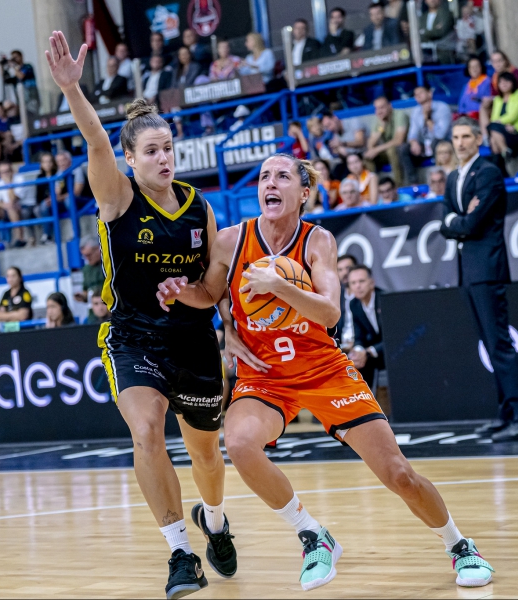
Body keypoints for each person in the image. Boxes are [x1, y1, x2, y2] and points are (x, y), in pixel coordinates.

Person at [156, 153, 495, 592]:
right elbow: (209, 291)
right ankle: (312, 534)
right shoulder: (231, 241)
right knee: (238, 443)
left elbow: (330, 312)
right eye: (264, 177)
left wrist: (279, 285)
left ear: (303, 193)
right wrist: (186, 296)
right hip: (265, 375)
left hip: (324, 370)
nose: (269, 183)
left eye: (282, 176)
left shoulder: (318, 241)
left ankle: (459, 544)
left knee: (398, 474)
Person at [46, 31, 237, 597]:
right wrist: (72, 91)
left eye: (168, 148)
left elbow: (214, 287)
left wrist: (219, 320)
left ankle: (215, 521)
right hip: (132, 336)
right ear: (130, 159)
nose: (163, 158)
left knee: (207, 454)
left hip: (193, 339)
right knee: (147, 431)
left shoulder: (198, 207)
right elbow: (95, 140)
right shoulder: (118, 196)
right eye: (150, 151)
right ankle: (180, 552)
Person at [440, 117, 518, 441]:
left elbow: (471, 224)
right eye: (456, 137)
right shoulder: (453, 177)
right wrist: (459, 219)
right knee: (489, 345)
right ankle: (507, 413)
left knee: (499, 344)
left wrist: (457, 220)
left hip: (487, 268)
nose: (460, 143)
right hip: (468, 270)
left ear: (478, 139)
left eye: (466, 136)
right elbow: (444, 223)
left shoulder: (488, 173)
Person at [398, 85, 452, 184]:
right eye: (415, 94)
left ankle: (440, 181)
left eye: (421, 93)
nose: (418, 96)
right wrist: (414, 142)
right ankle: (413, 184)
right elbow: (412, 134)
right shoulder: (416, 111)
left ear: (430, 93)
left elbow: (440, 135)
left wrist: (427, 119)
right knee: (404, 149)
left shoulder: (442, 108)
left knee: (436, 143)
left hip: (442, 144)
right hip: (425, 147)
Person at [346, 264, 384, 389]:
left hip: (391, 349)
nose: (357, 286)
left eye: (361, 281)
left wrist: (368, 352)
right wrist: (358, 351)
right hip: (372, 353)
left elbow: (394, 337)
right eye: (353, 283)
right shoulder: (354, 304)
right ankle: (363, 399)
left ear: (372, 283)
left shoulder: (384, 299)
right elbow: (358, 336)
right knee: (354, 362)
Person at [365, 96, 408, 184]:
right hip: (386, 151)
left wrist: (376, 149)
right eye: (377, 108)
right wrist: (381, 129)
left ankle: (399, 185)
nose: (379, 111)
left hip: (403, 150)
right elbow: (370, 145)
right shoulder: (378, 120)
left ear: (389, 106)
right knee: (367, 157)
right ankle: (373, 187)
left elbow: (399, 140)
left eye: (382, 107)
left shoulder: (399, 115)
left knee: (391, 151)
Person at [487, 72, 518, 157]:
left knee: (493, 131)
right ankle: (505, 151)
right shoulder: (497, 99)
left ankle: (502, 157)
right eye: (501, 82)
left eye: (506, 81)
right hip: (502, 131)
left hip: (517, 130)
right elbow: (493, 118)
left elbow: (512, 116)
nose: (503, 84)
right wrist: (503, 125)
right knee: (493, 135)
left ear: (513, 82)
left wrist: (501, 123)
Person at [74, 236, 105, 303]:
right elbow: (86, 290)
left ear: (98, 249)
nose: (87, 258)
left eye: (89, 255)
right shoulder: (86, 269)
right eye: (84, 256)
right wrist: (82, 296)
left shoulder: (109, 265)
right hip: (93, 306)